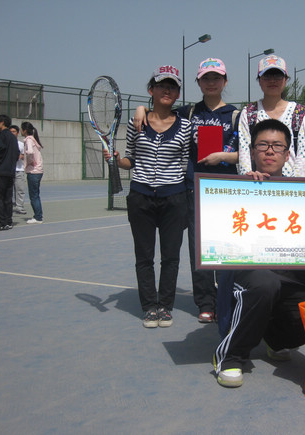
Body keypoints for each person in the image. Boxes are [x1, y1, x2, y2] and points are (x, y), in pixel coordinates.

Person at [213, 119, 305, 388]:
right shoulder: (232, 190)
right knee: (265, 283)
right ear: (252, 151)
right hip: (248, 278)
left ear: (287, 153)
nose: (270, 151)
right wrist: (245, 189)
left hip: (289, 279)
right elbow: (216, 240)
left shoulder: (304, 196)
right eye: (263, 145)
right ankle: (231, 356)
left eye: (277, 146)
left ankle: (277, 339)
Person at [133, 58, 240, 324]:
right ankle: (205, 302)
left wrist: (223, 157)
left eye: (216, 78)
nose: (211, 83)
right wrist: (140, 109)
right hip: (194, 189)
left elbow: (247, 152)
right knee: (198, 249)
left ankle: (226, 299)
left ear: (225, 81)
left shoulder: (237, 116)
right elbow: (160, 113)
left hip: (227, 192)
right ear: (198, 83)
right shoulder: (187, 113)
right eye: (206, 78)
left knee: (228, 249)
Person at [105, 65, 190, 328]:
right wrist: (117, 160)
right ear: (151, 90)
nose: (167, 90)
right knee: (144, 256)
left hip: (174, 198)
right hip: (141, 197)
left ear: (177, 94)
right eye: (162, 85)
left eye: (172, 86)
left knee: (171, 257)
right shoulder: (137, 123)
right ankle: (149, 307)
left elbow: (185, 162)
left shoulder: (186, 126)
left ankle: (165, 306)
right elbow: (130, 158)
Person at [237, 55, 305, 178]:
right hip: (257, 182)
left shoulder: (298, 112)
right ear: (259, 80)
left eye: (277, 76)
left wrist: (294, 184)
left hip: (289, 185)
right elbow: (244, 151)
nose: (272, 81)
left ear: (285, 79)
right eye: (267, 76)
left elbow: (303, 155)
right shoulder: (249, 112)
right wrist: (249, 179)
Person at [0, 115, 20, 231]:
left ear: (2, 122)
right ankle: (8, 221)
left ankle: (0, 221)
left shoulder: (2, 135)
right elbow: (16, 154)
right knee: (8, 198)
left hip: (0, 171)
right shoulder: (13, 138)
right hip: (10, 171)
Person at [21, 122, 44, 224]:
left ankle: (38, 217)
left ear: (25, 130)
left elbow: (30, 152)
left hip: (34, 171)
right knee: (36, 195)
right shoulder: (33, 140)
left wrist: (30, 162)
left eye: (21, 129)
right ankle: (38, 215)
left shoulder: (29, 140)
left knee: (34, 195)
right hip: (38, 171)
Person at [9, 125, 27, 215]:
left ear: (17, 133)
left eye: (14, 132)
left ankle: (19, 206)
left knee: (20, 189)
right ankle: (9, 207)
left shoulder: (21, 144)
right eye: (10, 132)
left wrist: (20, 156)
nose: (12, 133)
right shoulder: (6, 143)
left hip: (19, 169)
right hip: (9, 170)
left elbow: (24, 155)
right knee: (8, 190)